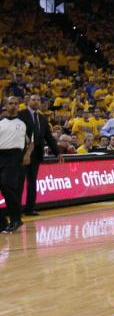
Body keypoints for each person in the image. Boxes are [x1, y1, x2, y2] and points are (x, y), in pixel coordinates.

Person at [18, 94, 59, 215]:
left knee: (32, 182)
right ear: (28, 101)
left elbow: (49, 137)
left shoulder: (42, 118)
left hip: (36, 154)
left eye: (38, 100)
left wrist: (57, 152)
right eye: (33, 100)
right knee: (19, 182)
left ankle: (30, 208)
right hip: (22, 153)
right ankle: (16, 209)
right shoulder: (21, 115)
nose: (36, 102)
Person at [0, 96, 30, 233]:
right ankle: (2, 223)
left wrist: (27, 154)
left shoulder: (24, 122)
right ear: (5, 105)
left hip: (14, 156)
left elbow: (33, 141)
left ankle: (16, 219)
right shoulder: (1, 122)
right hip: (1, 155)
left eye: (16, 104)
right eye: (10, 103)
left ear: (19, 106)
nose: (13, 106)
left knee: (7, 186)